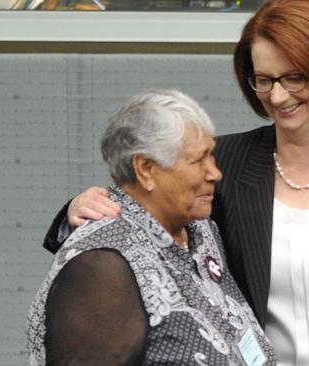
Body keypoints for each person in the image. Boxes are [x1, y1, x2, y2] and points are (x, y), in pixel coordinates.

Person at [42, 0, 309, 365]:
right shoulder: (223, 163)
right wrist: (78, 212)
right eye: (264, 79)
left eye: (294, 78)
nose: (277, 97)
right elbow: (144, 214)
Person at [27, 89, 276, 365]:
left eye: (212, 156)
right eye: (197, 160)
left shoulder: (200, 228)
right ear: (145, 168)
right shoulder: (102, 264)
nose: (215, 173)